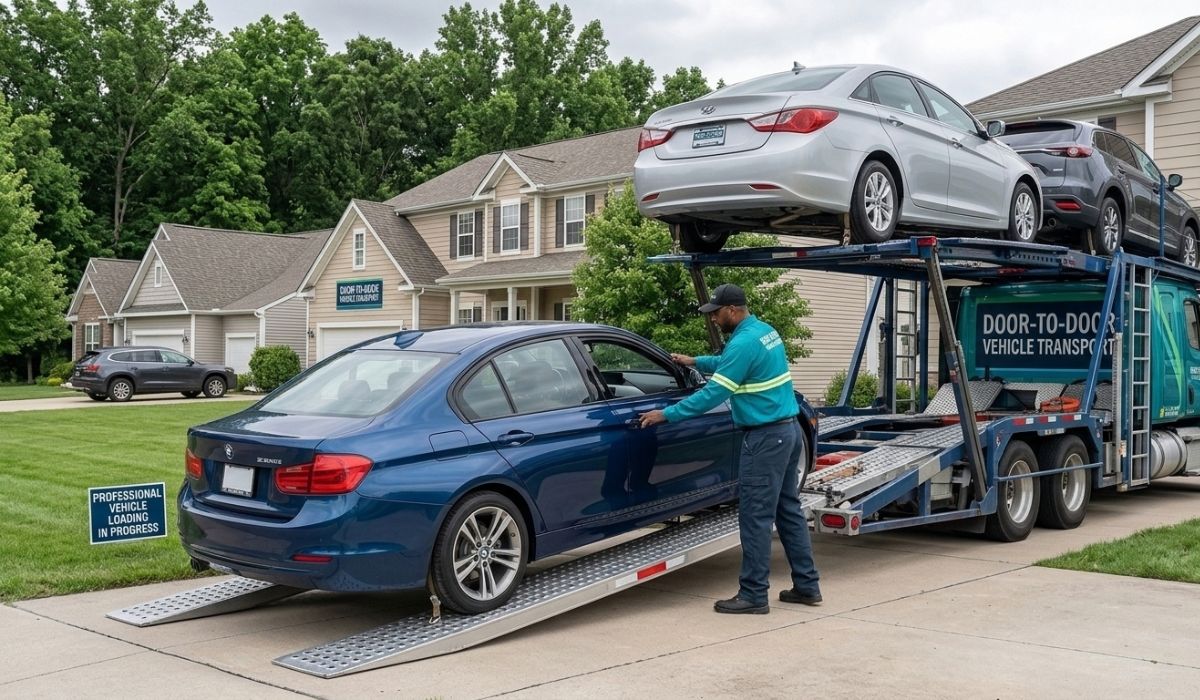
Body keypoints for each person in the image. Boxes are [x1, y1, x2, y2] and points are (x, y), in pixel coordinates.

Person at [638, 283, 821, 614]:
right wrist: (696, 361)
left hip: (765, 439)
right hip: (788, 431)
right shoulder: (764, 332)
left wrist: (666, 414)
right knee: (788, 511)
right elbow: (731, 362)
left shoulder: (743, 343)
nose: (713, 319)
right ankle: (807, 586)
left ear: (732, 310)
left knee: (755, 517)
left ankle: (753, 595)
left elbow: (713, 394)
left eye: (716, 313)